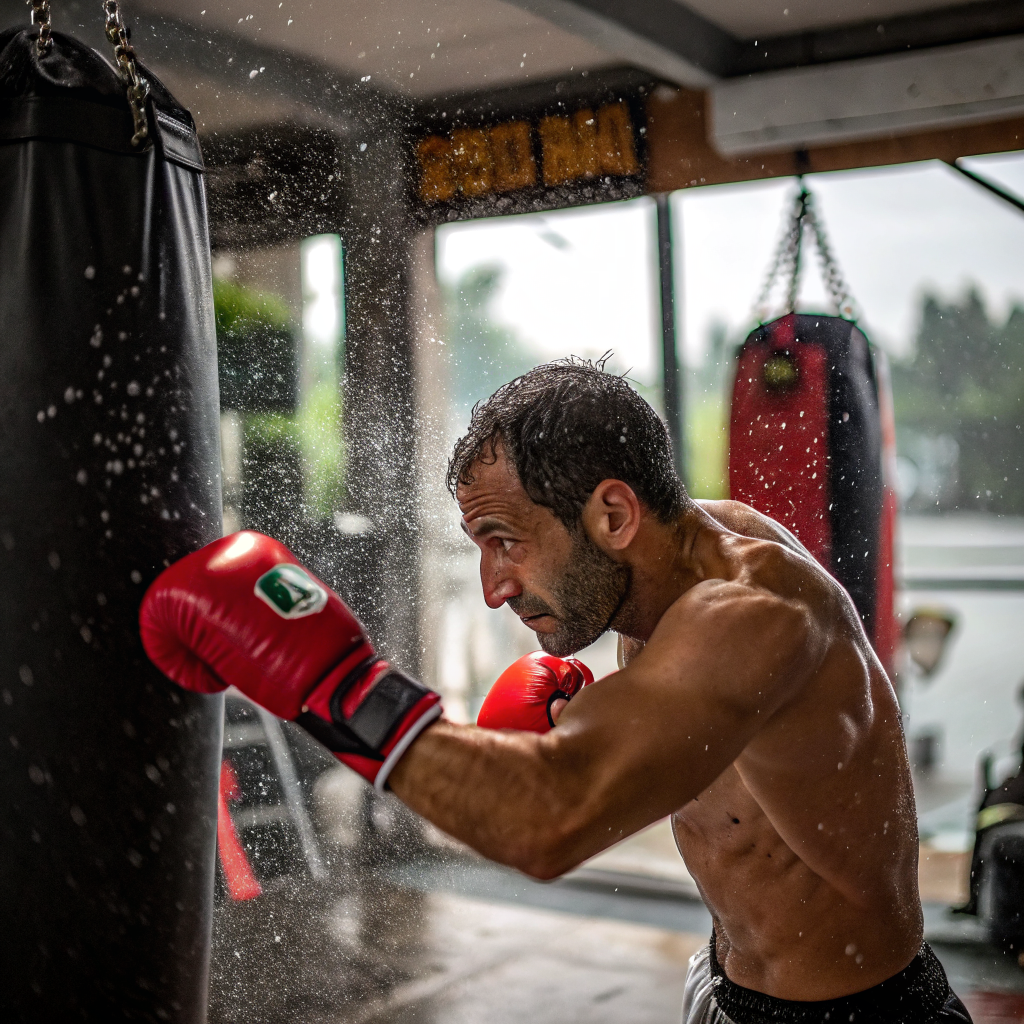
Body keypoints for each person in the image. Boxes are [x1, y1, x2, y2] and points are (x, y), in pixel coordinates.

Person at [141, 360, 971, 1024]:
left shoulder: (754, 618)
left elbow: (548, 823)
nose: (494, 586)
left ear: (613, 513)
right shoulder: (664, 560)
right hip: (726, 988)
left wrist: (331, 684)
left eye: (506, 541)